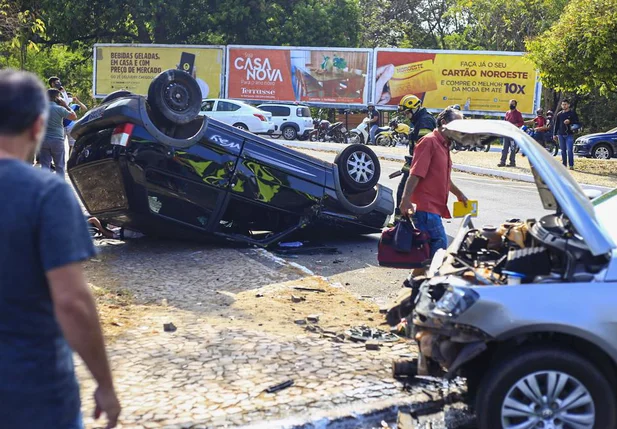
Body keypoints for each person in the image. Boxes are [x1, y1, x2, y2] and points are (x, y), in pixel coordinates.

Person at [0, 69, 121, 428]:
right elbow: (72, 303)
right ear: (38, 126)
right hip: (33, 395)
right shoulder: (47, 195)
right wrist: (105, 384)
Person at [399, 107, 469, 258]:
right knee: (439, 247)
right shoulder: (429, 142)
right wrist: (405, 200)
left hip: (434, 209)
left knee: (428, 252)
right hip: (426, 209)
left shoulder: (444, 145)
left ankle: (415, 280)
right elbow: (415, 173)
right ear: (444, 123)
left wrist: (459, 194)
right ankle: (426, 280)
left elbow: (444, 178)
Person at [395, 94, 437, 214]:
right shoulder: (420, 120)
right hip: (416, 165)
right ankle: (403, 222)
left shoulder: (425, 122)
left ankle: (401, 223)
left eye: (407, 113)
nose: (406, 116)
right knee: (408, 194)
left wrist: (411, 168)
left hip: (419, 167)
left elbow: (423, 151)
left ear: (415, 109)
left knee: (404, 192)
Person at [40, 88, 77, 175]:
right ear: (57, 97)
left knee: (45, 165)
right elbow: (73, 117)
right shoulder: (59, 109)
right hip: (57, 140)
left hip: (43, 140)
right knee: (59, 166)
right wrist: (66, 106)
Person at [552, 99, 580, 169]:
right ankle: (564, 164)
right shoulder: (559, 114)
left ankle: (571, 165)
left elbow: (577, 122)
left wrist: (569, 121)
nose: (564, 106)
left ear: (568, 105)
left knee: (570, 150)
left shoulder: (572, 113)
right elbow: (556, 125)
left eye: (565, 104)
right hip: (561, 134)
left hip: (569, 134)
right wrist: (554, 134)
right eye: (563, 104)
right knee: (563, 150)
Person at [497, 99, 524, 167]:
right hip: (507, 133)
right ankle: (502, 161)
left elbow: (521, 122)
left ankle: (512, 162)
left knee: (512, 149)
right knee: (505, 148)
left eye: (513, 104)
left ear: (515, 105)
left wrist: (515, 125)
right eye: (510, 103)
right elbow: (505, 121)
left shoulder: (518, 113)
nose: (511, 105)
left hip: (513, 134)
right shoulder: (507, 112)